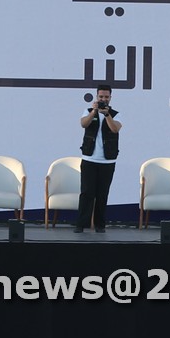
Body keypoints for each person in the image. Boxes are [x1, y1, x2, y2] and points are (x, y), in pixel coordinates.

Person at [74, 83, 122, 233]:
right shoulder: (88, 111)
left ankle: (100, 225)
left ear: (110, 98)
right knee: (86, 193)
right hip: (89, 158)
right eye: (101, 96)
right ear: (97, 96)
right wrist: (94, 111)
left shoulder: (115, 114)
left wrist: (106, 115)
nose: (103, 99)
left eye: (106, 97)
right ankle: (81, 224)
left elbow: (115, 129)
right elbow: (83, 124)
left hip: (108, 160)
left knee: (102, 194)